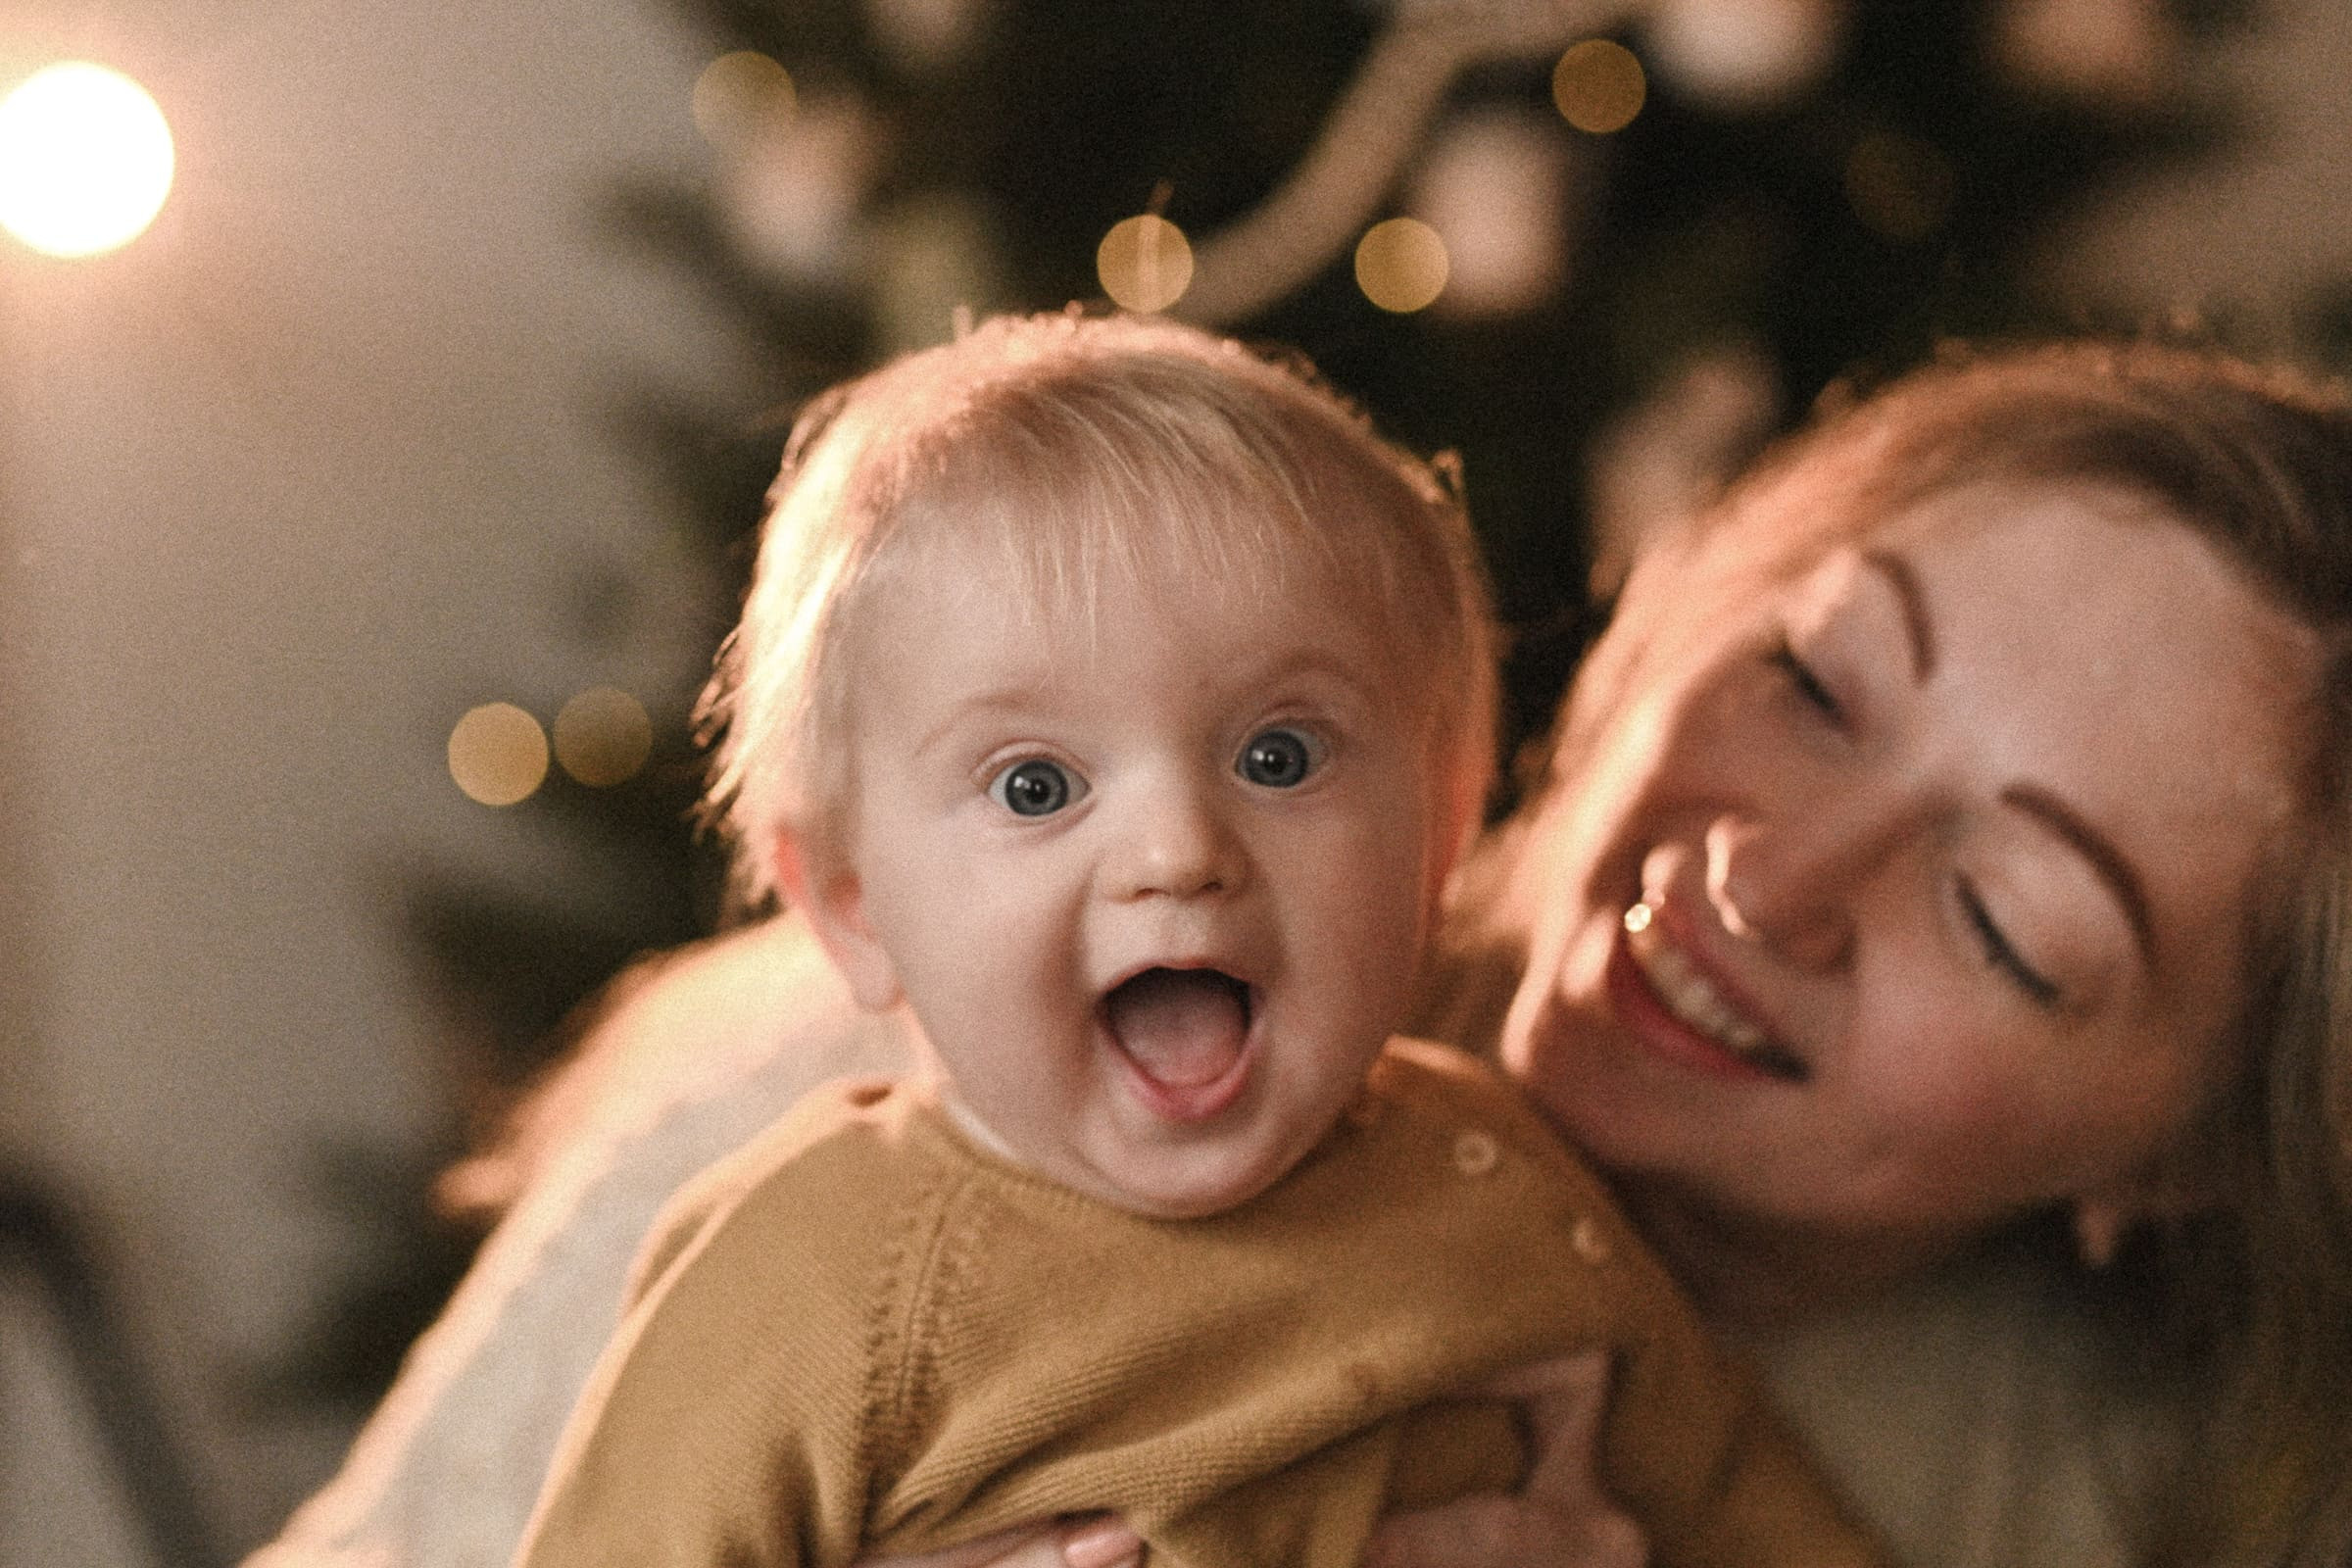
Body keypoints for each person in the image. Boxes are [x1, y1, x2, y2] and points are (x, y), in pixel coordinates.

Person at [245, 337, 2352, 1568]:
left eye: (2004, 915)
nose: (1770, 881)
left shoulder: (2103, 1497)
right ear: (1645, 627)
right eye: (1810, 679)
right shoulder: (838, 1133)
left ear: (2184, 1148)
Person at [506, 309, 1883, 1568]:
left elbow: (1749, 1512)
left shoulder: (1501, 1174)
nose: (1179, 852)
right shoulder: (814, 1272)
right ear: (852, 906)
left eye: (1280, 756)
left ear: (1441, 834)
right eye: (1036, 786)